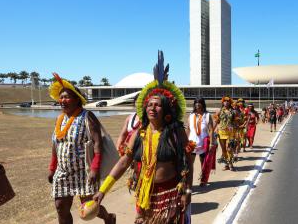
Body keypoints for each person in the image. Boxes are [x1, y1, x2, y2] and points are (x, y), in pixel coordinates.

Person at [93, 51, 193, 224]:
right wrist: (103, 190)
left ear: (167, 110)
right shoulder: (139, 133)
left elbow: (188, 162)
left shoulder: (176, 131)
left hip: (170, 195)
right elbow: (124, 162)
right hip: (145, 195)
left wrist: (187, 191)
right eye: (150, 104)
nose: (152, 108)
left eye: (158, 105)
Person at [47, 73, 115, 224]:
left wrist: (95, 169)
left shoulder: (87, 117)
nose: (62, 100)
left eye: (67, 97)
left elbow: (98, 143)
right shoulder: (59, 119)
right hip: (63, 172)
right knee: (60, 207)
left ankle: (109, 217)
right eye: (61, 97)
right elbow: (55, 145)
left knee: (90, 208)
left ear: (77, 99)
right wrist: (52, 168)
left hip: (83, 173)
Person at [187, 97, 215, 187]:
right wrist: (184, 142)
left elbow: (211, 130)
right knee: (190, 163)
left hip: (203, 143)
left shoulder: (207, 115)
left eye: (200, 102)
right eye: (196, 102)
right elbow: (188, 129)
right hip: (192, 143)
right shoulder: (191, 115)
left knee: (203, 162)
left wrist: (211, 143)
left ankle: (203, 180)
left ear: (203, 104)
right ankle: (189, 181)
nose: (198, 104)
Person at [214, 96, 235, 171]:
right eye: (225, 101)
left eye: (228, 101)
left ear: (230, 102)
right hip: (221, 132)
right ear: (222, 102)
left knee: (229, 149)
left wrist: (233, 126)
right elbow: (217, 122)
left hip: (230, 133)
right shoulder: (219, 111)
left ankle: (230, 163)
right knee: (223, 150)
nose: (226, 102)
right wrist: (213, 130)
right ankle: (226, 164)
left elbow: (236, 121)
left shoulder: (233, 111)